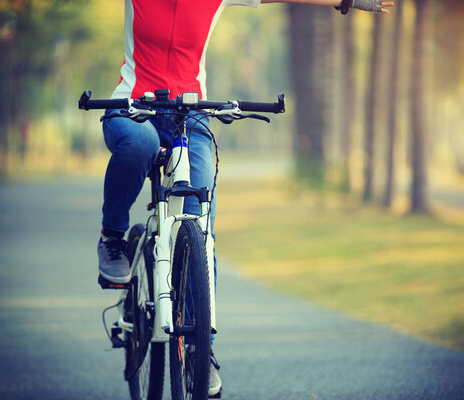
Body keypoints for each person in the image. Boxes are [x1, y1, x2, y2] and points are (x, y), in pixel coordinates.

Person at [97, 0, 393, 397]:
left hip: (188, 114)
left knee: (201, 211)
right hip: (133, 108)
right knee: (140, 144)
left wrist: (347, 0)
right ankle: (113, 238)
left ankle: (202, 344)